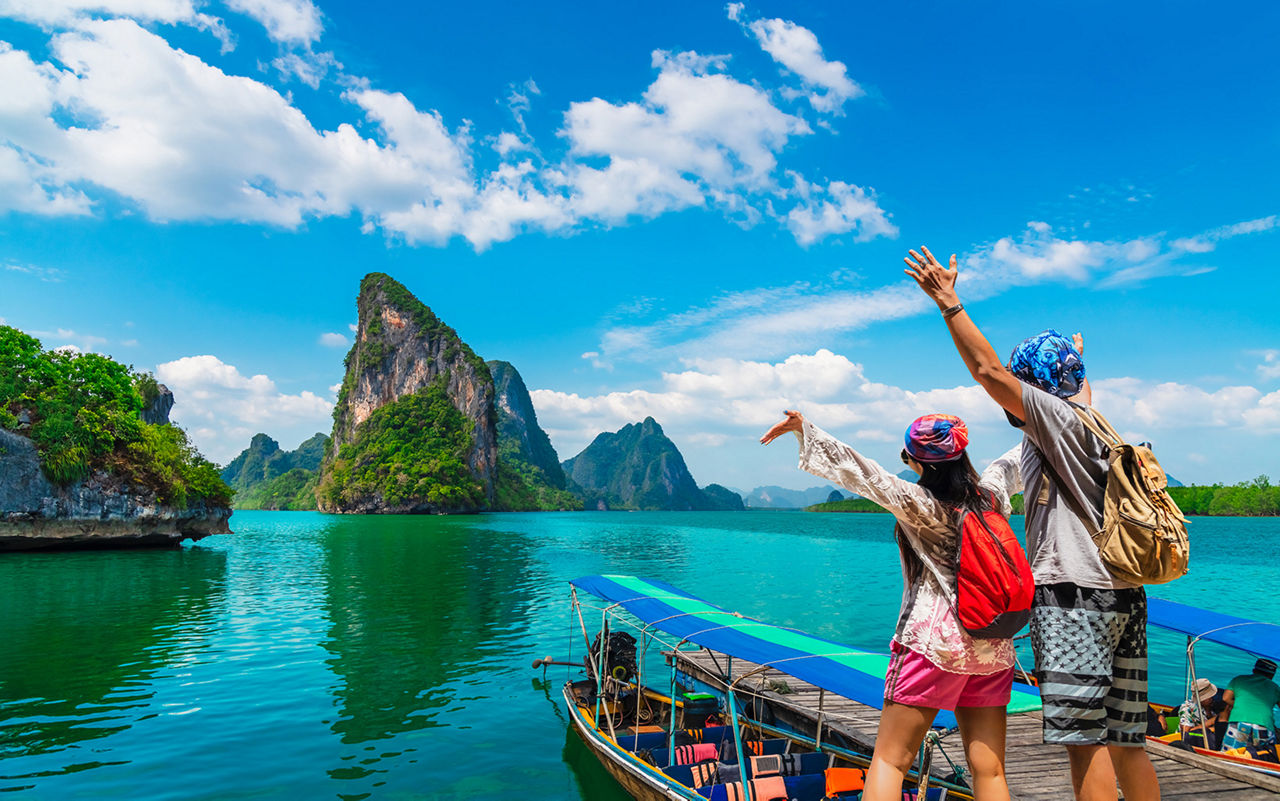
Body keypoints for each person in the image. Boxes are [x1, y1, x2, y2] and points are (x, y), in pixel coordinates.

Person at [903, 246, 1159, 801]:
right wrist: (1075, 354)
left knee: (1085, 742)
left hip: (1074, 601)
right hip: (1127, 596)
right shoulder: (1092, 419)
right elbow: (1069, 383)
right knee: (1127, 742)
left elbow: (986, 370)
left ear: (1036, 389)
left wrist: (949, 303)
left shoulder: (1055, 421)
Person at [761, 410, 1021, 801]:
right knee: (990, 769)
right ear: (962, 451)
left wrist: (806, 430)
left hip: (934, 645)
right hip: (993, 645)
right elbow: (1013, 461)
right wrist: (1068, 404)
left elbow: (865, 474)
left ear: (918, 461)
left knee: (890, 761)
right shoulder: (992, 497)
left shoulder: (921, 504)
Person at [1220, 658, 1280, 751]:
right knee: (1263, 755)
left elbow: (1226, 698)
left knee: (1231, 752)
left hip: (1239, 720)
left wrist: (1239, 705)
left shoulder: (1238, 679)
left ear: (1254, 670)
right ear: (1272, 675)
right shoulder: (1275, 687)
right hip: (1263, 723)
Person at [1177, 678, 1225, 748]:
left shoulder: (1213, 704)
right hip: (1192, 741)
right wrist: (1212, 725)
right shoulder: (1187, 708)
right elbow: (1185, 733)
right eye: (1209, 696)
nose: (1212, 698)